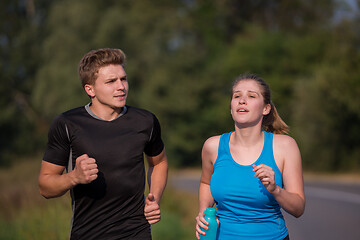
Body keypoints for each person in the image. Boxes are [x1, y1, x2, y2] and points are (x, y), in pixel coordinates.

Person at [38, 48, 168, 240]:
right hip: (88, 233)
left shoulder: (145, 121)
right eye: (111, 81)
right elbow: (45, 186)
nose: (121, 86)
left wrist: (154, 198)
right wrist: (74, 177)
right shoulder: (67, 124)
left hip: (136, 231)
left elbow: (159, 163)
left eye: (123, 79)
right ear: (90, 89)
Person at [195, 73, 305, 240]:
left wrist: (275, 189)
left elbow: (298, 208)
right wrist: (204, 212)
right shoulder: (213, 146)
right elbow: (206, 182)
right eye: (237, 96)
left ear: (265, 108)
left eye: (251, 96)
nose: (242, 100)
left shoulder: (285, 146)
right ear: (231, 108)